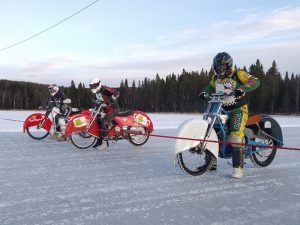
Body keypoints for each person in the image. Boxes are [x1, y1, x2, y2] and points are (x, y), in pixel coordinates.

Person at [200, 52, 260, 178]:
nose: (220, 70)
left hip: (238, 110)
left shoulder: (239, 74)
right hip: (222, 109)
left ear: (229, 66)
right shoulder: (215, 79)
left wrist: (242, 89)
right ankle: (211, 163)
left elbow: (255, 81)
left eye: (222, 67)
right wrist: (204, 92)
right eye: (217, 67)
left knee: (235, 137)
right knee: (213, 133)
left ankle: (238, 169)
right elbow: (210, 88)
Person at [89, 78, 120, 150]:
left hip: (113, 109)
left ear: (98, 84)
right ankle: (99, 141)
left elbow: (117, 92)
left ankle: (105, 144)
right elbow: (99, 102)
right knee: (97, 121)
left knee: (104, 122)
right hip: (106, 109)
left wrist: (113, 97)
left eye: (93, 86)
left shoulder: (105, 90)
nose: (92, 88)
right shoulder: (97, 93)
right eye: (91, 86)